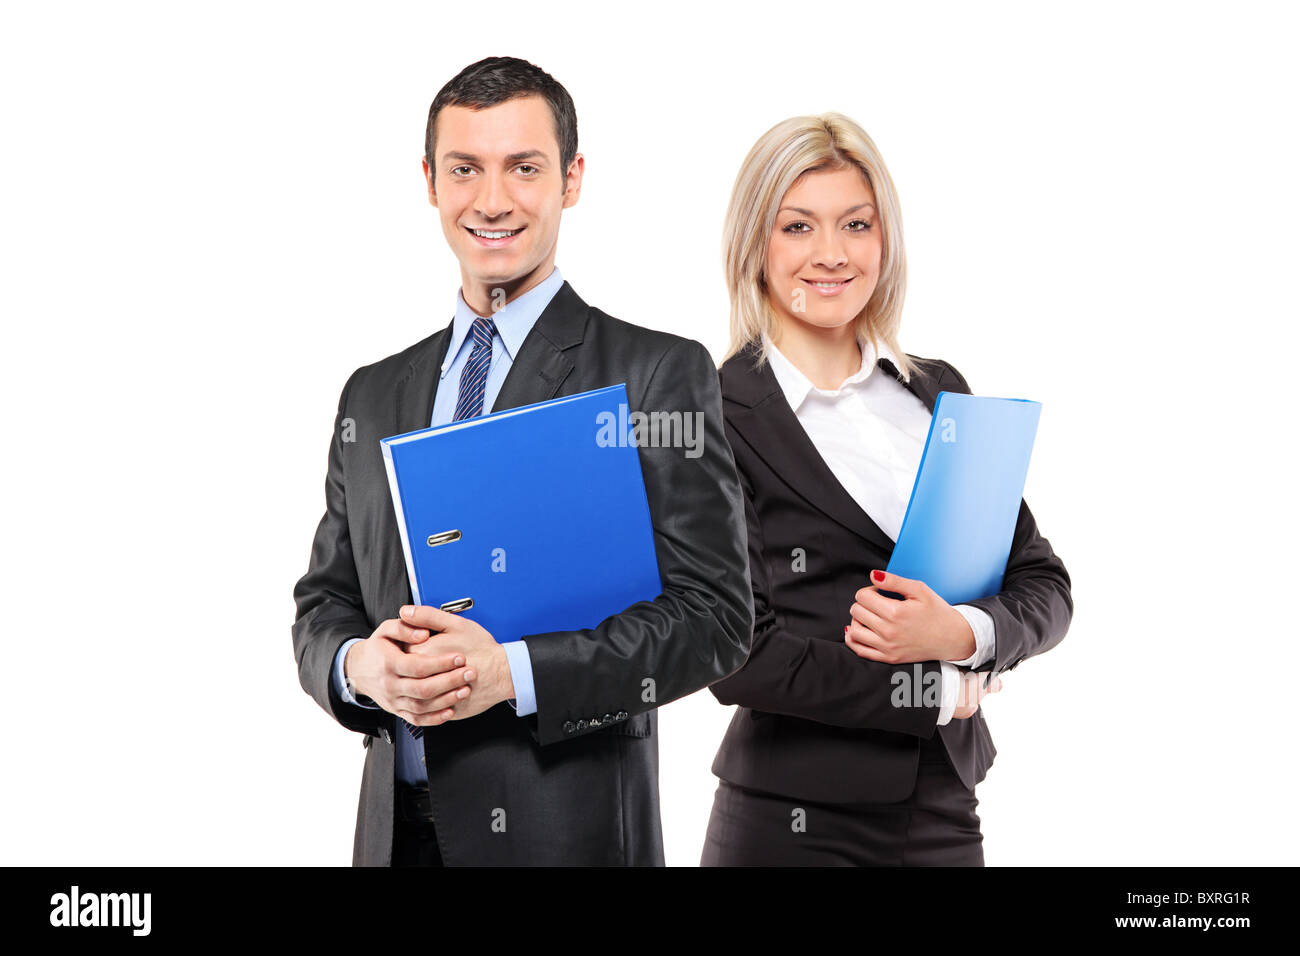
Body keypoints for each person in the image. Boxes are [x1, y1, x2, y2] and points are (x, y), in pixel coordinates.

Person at [291, 56, 753, 866]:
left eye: (524, 168)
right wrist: (358, 667)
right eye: (466, 169)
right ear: (430, 182)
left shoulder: (652, 373)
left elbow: (715, 619)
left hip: (563, 836)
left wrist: (514, 672)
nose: (493, 200)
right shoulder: (370, 394)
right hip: (394, 836)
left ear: (571, 180)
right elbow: (325, 600)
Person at [700, 113, 1073, 866]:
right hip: (790, 822)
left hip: (943, 809)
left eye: (856, 224)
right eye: (798, 226)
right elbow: (736, 653)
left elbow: (1043, 582)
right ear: (755, 246)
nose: (831, 254)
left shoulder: (939, 394)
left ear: (885, 240)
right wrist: (930, 689)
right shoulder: (711, 414)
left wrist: (964, 634)